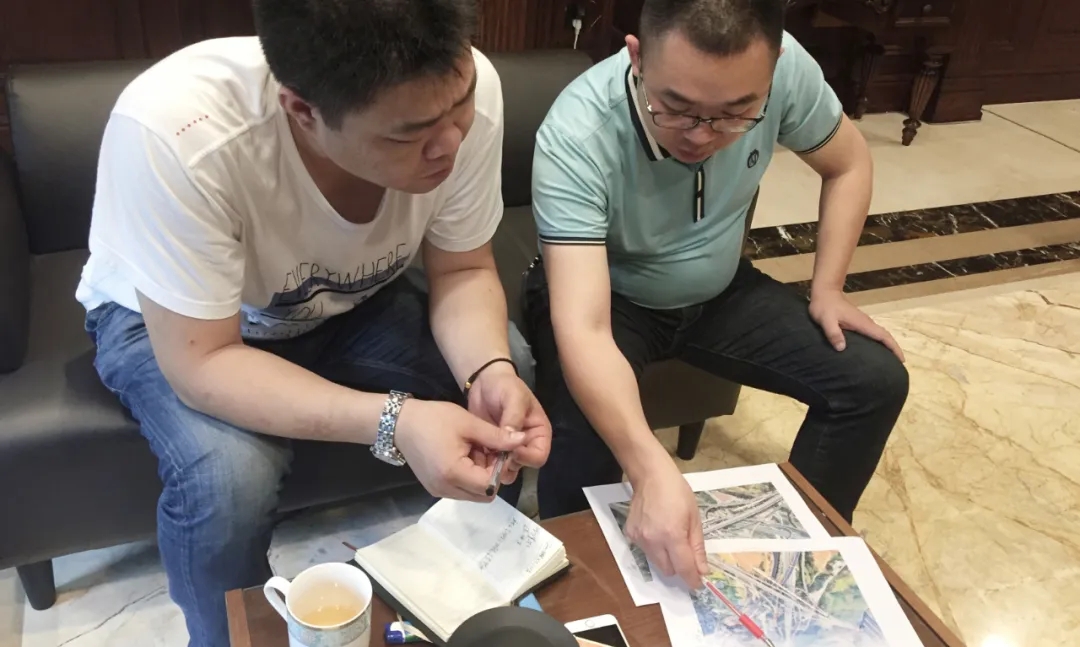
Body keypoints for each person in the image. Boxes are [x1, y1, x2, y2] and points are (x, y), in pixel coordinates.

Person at [76, 0, 551, 644]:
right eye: (408, 134)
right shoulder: (179, 134)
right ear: (302, 110)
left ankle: (469, 602)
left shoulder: (458, 89)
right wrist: (397, 421)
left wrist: (488, 368)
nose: (451, 143)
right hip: (180, 326)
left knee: (507, 374)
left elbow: (463, 270)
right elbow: (203, 363)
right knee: (229, 481)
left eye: (460, 107)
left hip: (349, 302)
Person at [524, 0, 908, 591]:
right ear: (637, 57)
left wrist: (828, 287)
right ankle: (583, 597)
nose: (702, 136)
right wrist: (649, 466)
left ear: (774, 67)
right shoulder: (578, 132)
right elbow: (585, 329)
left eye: (734, 114)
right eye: (676, 108)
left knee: (872, 381)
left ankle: (805, 566)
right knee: (585, 433)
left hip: (719, 288)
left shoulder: (787, 72)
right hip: (610, 297)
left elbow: (849, 163)